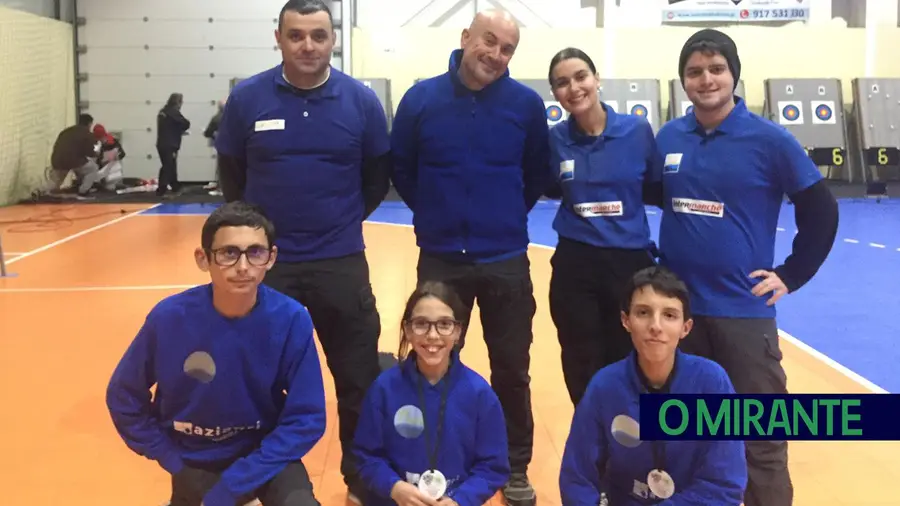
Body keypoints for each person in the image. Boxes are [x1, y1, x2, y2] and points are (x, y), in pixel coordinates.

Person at [214, 0, 392, 501]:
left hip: (340, 263)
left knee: (357, 379)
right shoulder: (248, 99)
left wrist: (337, 222)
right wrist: (259, 241)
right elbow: (233, 177)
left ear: (333, 38)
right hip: (268, 268)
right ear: (279, 38)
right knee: (254, 382)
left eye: (318, 35)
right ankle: (255, 479)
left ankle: (361, 482)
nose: (308, 45)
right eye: (297, 35)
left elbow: (375, 179)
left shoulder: (359, 101)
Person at [652, 29, 839, 506]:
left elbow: (821, 209)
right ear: (683, 81)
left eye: (716, 69)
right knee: (685, 433)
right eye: (694, 71)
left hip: (743, 314)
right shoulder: (670, 136)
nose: (706, 79)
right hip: (679, 316)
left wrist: (793, 273)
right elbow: (653, 195)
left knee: (760, 437)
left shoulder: (770, 140)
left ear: (734, 75)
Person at [389, 9, 550, 506]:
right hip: (440, 260)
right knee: (436, 363)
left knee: (511, 368)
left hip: (504, 258)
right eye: (489, 41)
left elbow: (536, 173)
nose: (495, 55)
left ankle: (514, 466)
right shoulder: (420, 100)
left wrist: (497, 217)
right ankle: (443, 458)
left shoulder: (525, 105)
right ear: (465, 38)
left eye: (507, 49)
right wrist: (440, 215)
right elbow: (404, 169)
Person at [105, 201, 326, 506]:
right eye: (228, 253)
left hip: (264, 455)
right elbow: (123, 396)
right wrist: (171, 459)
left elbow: (308, 416)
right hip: (193, 459)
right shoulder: (168, 318)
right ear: (203, 258)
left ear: (271, 258)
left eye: (255, 252)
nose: (243, 266)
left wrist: (237, 484)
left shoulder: (290, 319)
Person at [558, 266, 747, 506]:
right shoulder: (604, 387)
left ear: (685, 328)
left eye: (669, 315)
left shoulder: (712, 383)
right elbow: (577, 477)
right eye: (643, 312)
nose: (656, 326)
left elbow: (725, 484)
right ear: (626, 321)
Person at [544, 47, 660, 408]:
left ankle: (638, 446)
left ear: (597, 80)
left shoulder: (637, 131)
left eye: (580, 77)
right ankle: (592, 439)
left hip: (629, 264)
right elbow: (549, 186)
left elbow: (655, 186)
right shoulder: (555, 139)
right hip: (576, 264)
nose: (574, 88)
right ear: (555, 94)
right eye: (562, 83)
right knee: (581, 359)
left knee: (632, 356)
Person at [353, 281, 510, 506]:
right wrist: (394, 487)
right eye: (421, 324)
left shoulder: (480, 395)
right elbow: (366, 456)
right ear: (407, 330)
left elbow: (493, 467)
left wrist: (461, 500)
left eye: (444, 324)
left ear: (458, 331)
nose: (433, 335)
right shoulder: (384, 389)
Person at [35, 113, 102, 198]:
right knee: (92, 168)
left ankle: (40, 191)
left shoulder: (66, 131)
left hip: (58, 159)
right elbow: (91, 153)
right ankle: (83, 191)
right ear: (89, 124)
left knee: (55, 182)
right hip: (74, 161)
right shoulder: (87, 134)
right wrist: (97, 150)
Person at [156, 92, 191, 197]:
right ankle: (162, 190)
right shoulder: (173, 112)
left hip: (162, 143)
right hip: (170, 144)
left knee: (169, 165)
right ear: (178, 102)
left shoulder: (163, 112)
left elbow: (168, 126)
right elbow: (186, 123)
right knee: (168, 166)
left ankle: (175, 186)